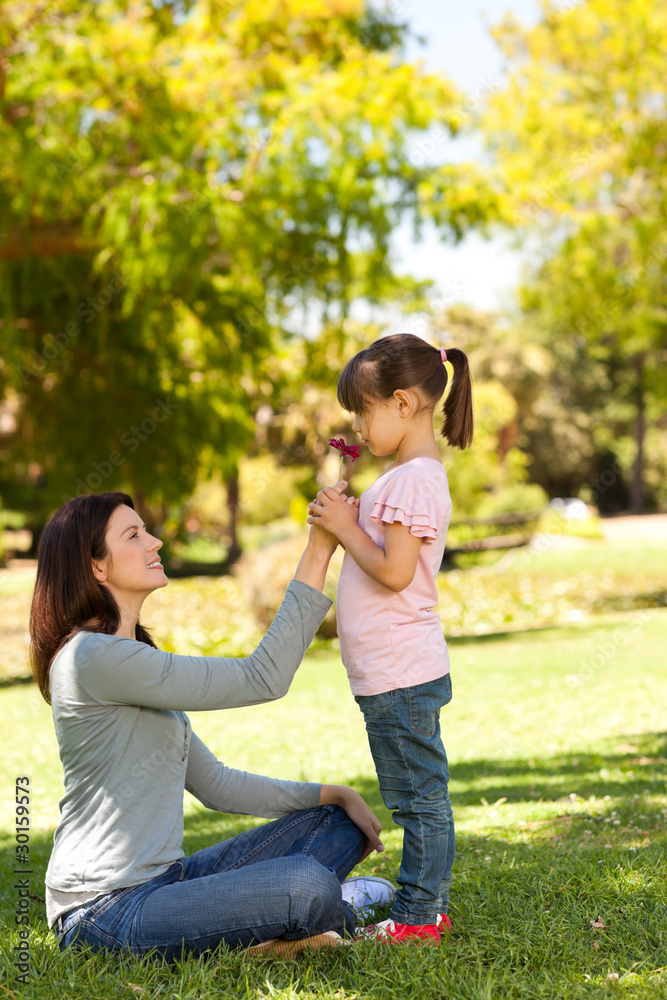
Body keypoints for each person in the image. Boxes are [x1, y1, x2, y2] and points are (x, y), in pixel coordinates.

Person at [29, 489, 394, 960]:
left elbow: (215, 784)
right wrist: (320, 547)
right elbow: (262, 677)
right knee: (303, 884)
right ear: (96, 567)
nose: (155, 542)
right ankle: (328, 912)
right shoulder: (91, 658)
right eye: (134, 534)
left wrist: (331, 794)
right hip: (104, 911)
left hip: (168, 882)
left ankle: (281, 923)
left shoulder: (135, 662)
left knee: (339, 823)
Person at [307, 333, 474, 945]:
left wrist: (346, 529)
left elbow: (396, 572)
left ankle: (418, 919)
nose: (357, 425)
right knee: (418, 797)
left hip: (402, 671)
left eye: (363, 411)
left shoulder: (412, 480)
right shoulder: (406, 479)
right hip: (392, 672)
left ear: (403, 404)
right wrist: (350, 521)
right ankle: (426, 911)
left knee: (419, 802)